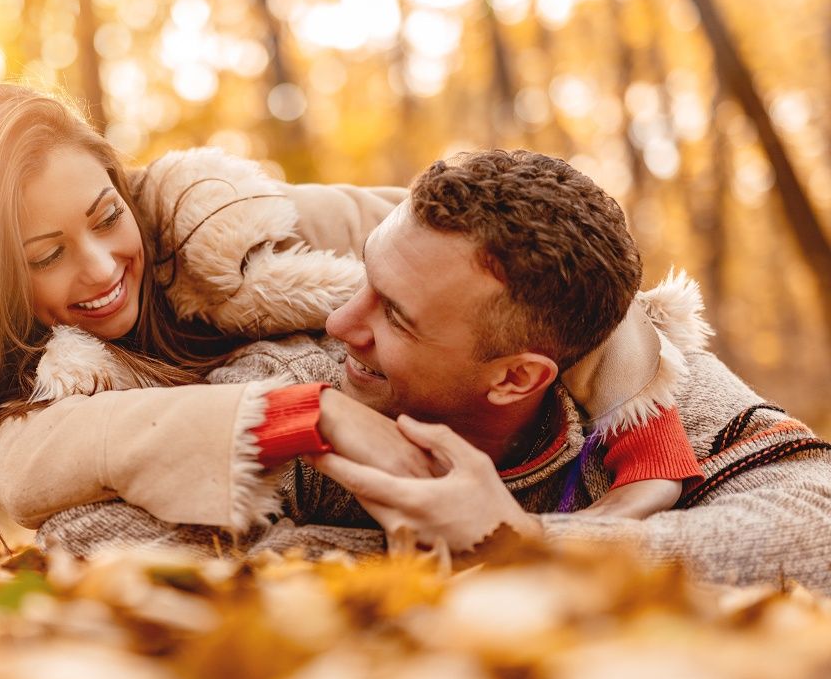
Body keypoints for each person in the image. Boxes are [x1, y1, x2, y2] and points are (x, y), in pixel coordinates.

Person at [0, 83, 696, 557]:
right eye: (43, 256)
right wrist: (316, 415)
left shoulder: (232, 228)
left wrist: (645, 450)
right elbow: (32, 466)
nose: (100, 268)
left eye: (107, 216)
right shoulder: (29, 400)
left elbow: (545, 259)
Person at [280, 150, 831, 590]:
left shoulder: (658, 392)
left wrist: (522, 543)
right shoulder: (295, 379)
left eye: (396, 317)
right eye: (366, 276)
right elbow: (201, 545)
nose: (339, 322)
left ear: (516, 378)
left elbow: (819, 530)